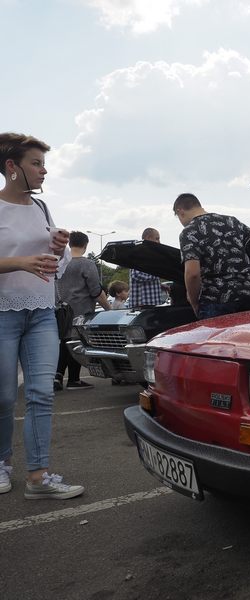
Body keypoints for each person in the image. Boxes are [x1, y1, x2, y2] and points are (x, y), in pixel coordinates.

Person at [0, 132, 84, 500]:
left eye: (43, 164)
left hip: (41, 312)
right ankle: (2, 464)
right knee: (3, 398)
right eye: (36, 163)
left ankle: (38, 477)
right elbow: (25, 261)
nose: (43, 170)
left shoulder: (41, 208)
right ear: (11, 167)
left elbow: (56, 267)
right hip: (3, 313)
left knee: (41, 394)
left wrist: (60, 248)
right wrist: (21, 262)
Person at [173, 193, 250, 319]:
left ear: (180, 211)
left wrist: (194, 301)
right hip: (248, 293)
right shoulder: (233, 221)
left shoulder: (189, 231)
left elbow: (192, 274)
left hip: (216, 299)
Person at [56, 231, 112, 390]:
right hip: (80, 312)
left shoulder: (60, 263)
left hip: (60, 311)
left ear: (69, 244)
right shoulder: (87, 264)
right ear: (85, 245)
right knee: (76, 343)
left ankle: (57, 377)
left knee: (63, 342)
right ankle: (74, 379)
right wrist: (108, 309)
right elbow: (96, 291)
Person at [129, 228, 165, 307]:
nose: (159, 242)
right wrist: (159, 273)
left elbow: (146, 275)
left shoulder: (148, 254)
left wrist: (160, 285)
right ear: (148, 238)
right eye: (157, 238)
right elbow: (136, 275)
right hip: (143, 305)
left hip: (150, 303)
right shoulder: (139, 253)